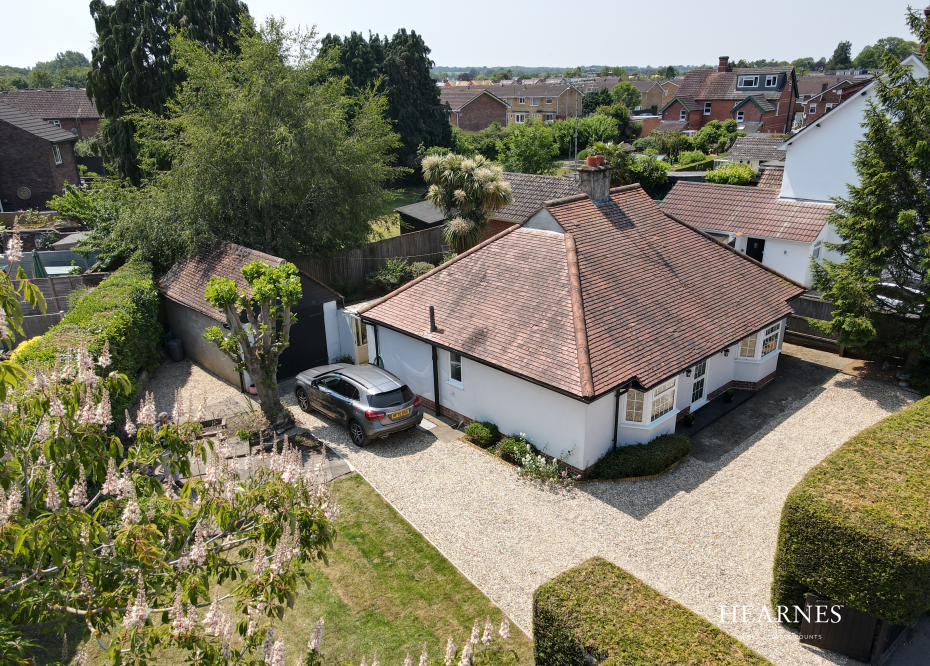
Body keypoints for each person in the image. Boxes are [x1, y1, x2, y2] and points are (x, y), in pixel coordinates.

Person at [158, 412, 180, 484]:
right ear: (159, 421)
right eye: (163, 421)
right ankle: (169, 480)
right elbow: (156, 439)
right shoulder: (156, 427)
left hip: (173, 447)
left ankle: (176, 479)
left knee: (175, 462)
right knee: (166, 466)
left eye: (166, 421)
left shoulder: (171, 424)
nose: (165, 423)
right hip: (163, 449)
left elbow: (176, 434)